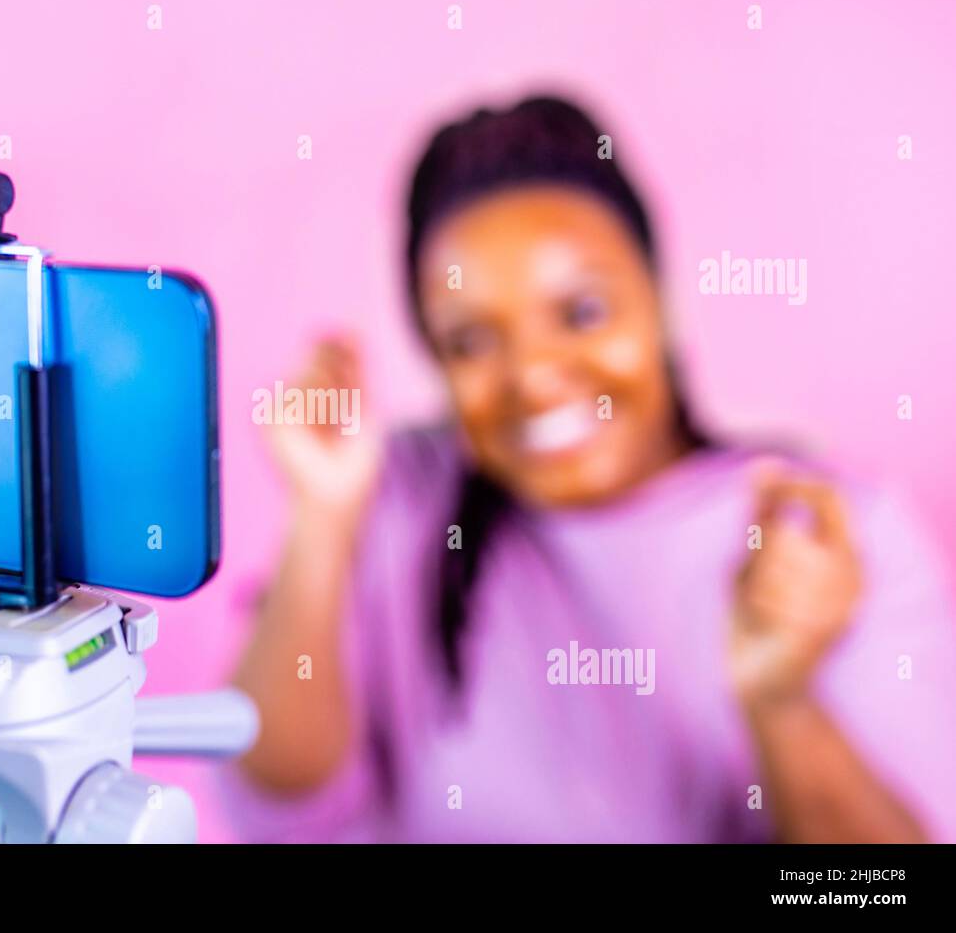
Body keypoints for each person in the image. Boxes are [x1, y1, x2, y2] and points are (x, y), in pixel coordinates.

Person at [221, 95, 956, 843]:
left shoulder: (828, 535)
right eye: (472, 341)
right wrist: (321, 516)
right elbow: (283, 810)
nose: (534, 378)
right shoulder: (397, 500)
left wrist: (783, 701)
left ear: (660, 305)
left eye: (581, 313)